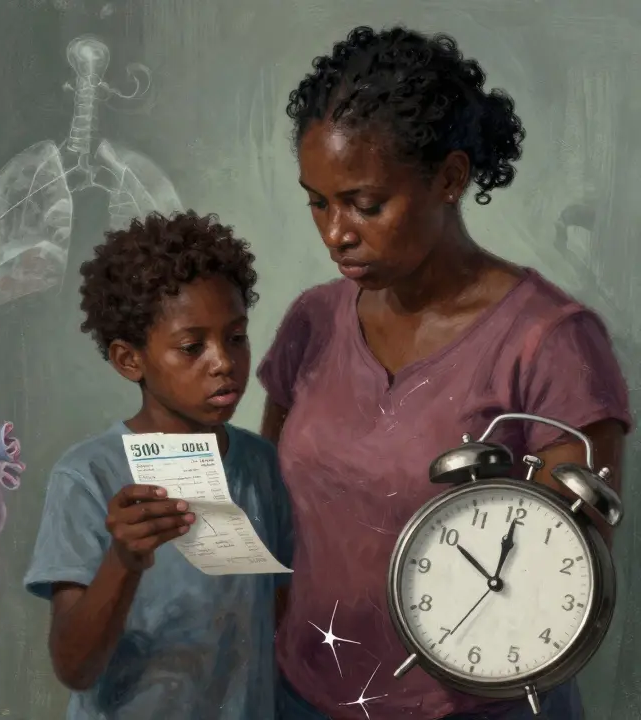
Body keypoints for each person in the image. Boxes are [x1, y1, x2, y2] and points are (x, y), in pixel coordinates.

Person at [259, 26, 632, 720]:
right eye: (318, 200)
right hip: (299, 697)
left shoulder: (553, 345)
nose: (335, 231)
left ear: (451, 178)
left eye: (365, 204)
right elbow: (269, 515)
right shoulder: (311, 324)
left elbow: (561, 583)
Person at [23, 210, 294, 719]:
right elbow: (74, 669)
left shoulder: (260, 466)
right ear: (130, 360)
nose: (223, 362)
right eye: (192, 347)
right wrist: (123, 561)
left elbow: (276, 617)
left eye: (235, 337)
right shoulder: (89, 475)